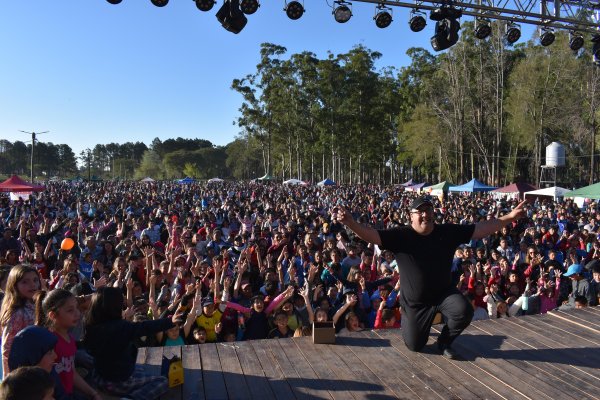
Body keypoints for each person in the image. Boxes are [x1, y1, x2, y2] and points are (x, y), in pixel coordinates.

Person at [337, 196, 527, 359]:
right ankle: (414, 326)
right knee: (415, 345)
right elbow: (371, 236)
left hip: (443, 294)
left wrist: (509, 217)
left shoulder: (447, 232)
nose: (425, 214)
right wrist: (351, 223)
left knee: (464, 310)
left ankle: (444, 342)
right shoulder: (400, 235)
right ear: (411, 216)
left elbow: (481, 228)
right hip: (415, 303)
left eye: (428, 210)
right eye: (420, 212)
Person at [83, 287, 180, 400]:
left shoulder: (90, 325)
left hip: (99, 377)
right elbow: (145, 327)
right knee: (162, 382)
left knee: (139, 367)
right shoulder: (121, 327)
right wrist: (170, 321)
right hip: (118, 382)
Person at [34, 289, 100, 399]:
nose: (77, 313)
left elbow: (71, 373)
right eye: (70, 310)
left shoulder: (70, 339)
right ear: (53, 315)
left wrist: (93, 393)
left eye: (76, 308)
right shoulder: (48, 342)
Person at [0, 265, 39, 377]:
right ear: (14, 285)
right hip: (23, 369)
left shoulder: (36, 305)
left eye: (35, 280)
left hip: (39, 362)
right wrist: (9, 377)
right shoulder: (17, 313)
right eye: (25, 282)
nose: (32, 285)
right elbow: (7, 348)